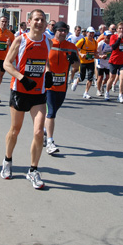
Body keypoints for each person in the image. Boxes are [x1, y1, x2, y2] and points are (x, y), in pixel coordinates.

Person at [0, 9, 52, 189]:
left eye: (42, 20)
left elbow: (45, 61)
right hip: (20, 90)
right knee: (15, 130)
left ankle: (33, 170)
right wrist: (22, 78)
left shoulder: (48, 41)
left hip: (38, 93)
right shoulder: (21, 40)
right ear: (29, 21)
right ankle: (7, 161)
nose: (39, 22)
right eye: (36, 19)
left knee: (39, 132)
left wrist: (48, 72)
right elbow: (7, 63)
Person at [44, 21, 78, 154]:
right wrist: (47, 72)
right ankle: (50, 142)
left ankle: (44, 130)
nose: (63, 33)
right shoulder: (48, 44)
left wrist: (74, 60)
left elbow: (76, 66)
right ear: (55, 31)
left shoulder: (71, 46)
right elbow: (45, 61)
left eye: (65, 31)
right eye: (61, 30)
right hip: (49, 85)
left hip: (62, 85)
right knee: (51, 111)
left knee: (53, 111)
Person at [106, 22, 123, 103]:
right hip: (113, 60)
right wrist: (119, 38)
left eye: (122, 28)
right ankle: (107, 91)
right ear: (117, 29)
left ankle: (120, 95)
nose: (121, 30)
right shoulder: (113, 36)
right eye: (120, 28)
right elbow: (113, 47)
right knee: (112, 78)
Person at [71, 26, 99, 99]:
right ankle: (76, 81)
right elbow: (75, 48)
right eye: (90, 33)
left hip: (91, 62)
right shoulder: (83, 40)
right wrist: (80, 54)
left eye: (93, 33)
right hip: (83, 62)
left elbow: (95, 52)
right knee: (82, 78)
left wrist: (99, 55)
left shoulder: (95, 42)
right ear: (87, 33)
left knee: (90, 78)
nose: (91, 35)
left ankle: (86, 92)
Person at [95, 31, 113, 96]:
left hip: (108, 63)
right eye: (107, 36)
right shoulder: (101, 44)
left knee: (108, 77)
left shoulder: (112, 43)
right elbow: (95, 53)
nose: (109, 37)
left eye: (110, 36)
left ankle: (103, 84)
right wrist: (101, 56)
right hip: (101, 62)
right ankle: (98, 90)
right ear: (104, 36)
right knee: (100, 77)